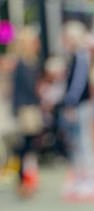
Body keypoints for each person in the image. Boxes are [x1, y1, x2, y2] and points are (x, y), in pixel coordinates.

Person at [60, 20, 94, 198]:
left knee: (84, 142)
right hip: (76, 105)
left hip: (80, 106)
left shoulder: (81, 56)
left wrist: (70, 103)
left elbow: (78, 83)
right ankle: (79, 178)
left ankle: (90, 180)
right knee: (76, 144)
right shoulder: (74, 56)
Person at [10, 26, 42, 198]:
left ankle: (29, 179)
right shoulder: (21, 64)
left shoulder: (32, 62)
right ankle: (23, 181)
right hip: (25, 109)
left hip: (31, 108)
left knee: (30, 146)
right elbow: (18, 90)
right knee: (24, 147)